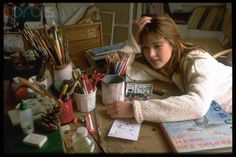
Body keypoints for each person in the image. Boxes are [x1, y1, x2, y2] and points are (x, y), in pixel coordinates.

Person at [105, 15, 232, 123]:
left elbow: (197, 106)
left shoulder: (198, 61)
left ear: (174, 44)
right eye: (145, 47)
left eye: (157, 46)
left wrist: (132, 109)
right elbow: (118, 74)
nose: (151, 54)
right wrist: (133, 39)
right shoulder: (163, 63)